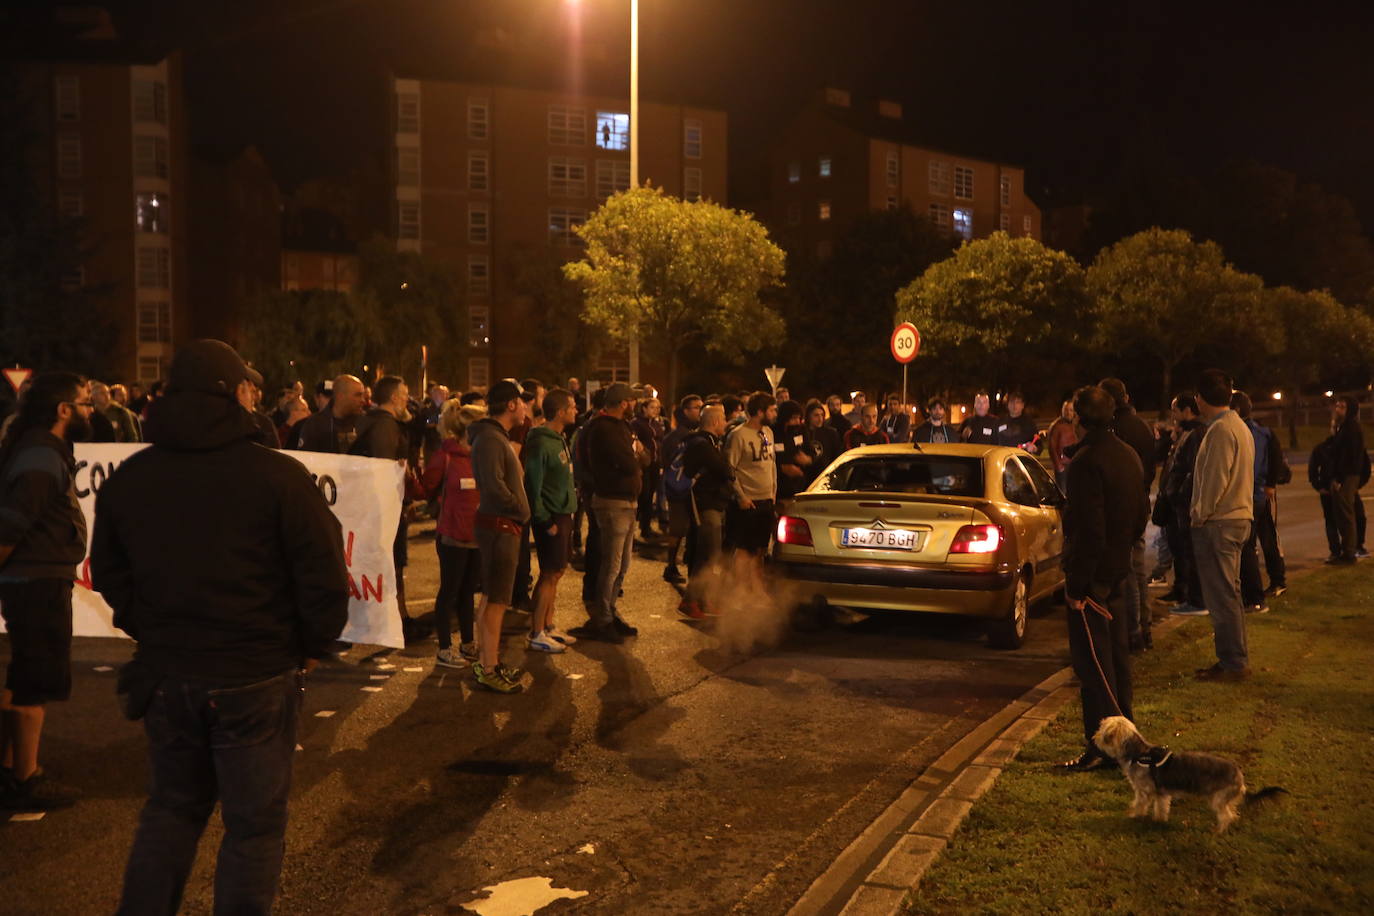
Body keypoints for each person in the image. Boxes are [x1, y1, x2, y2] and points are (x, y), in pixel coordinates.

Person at [90, 340, 349, 913]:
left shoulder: (132, 478)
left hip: (170, 672)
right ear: (232, 393)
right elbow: (325, 575)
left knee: (171, 810)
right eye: (248, 386)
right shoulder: (276, 477)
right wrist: (310, 645)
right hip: (254, 674)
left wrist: (151, 626)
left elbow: (109, 572)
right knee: (253, 830)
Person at [0, 372, 92, 811]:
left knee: (27, 672)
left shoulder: (41, 449)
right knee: (34, 678)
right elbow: (12, 525)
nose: (91, 410)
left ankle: (12, 767)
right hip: (35, 583)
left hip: (37, 578)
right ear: (63, 410)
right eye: (84, 402)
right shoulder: (39, 456)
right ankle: (26, 778)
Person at [1059, 385, 1148, 771]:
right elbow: (1141, 512)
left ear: (1078, 418)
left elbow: (1088, 530)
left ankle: (1105, 749)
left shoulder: (1085, 463)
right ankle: (1124, 739)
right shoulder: (1127, 455)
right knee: (1117, 662)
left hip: (1093, 580)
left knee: (1094, 669)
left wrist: (1078, 586)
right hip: (1117, 571)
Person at [1189, 369, 1255, 681]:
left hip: (1220, 522)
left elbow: (1215, 479)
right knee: (1230, 593)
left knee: (1221, 596)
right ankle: (1234, 658)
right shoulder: (1238, 426)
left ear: (1200, 398)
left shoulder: (1219, 432)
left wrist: (1200, 514)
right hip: (1238, 517)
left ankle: (1233, 662)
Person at [468, 380, 532, 693]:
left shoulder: (494, 437)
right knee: (497, 602)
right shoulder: (491, 439)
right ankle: (489, 669)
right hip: (499, 525)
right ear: (510, 405)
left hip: (500, 524)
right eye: (522, 402)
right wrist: (518, 506)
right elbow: (493, 486)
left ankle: (487, 661)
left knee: (492, 599)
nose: (526, 408)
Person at [351, 375, 422, 642]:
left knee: (390, 563)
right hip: (384, 509)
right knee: (393, 563)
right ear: (394, 398)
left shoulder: (373, 423)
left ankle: (397, 617)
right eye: (404, 394)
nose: (407, 399)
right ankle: (397, 620)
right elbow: (384, 467)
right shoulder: (385, 426)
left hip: (378, 507)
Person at [575, 382, 643, 644]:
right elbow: (628, 462)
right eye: (632, 401)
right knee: (612, 564)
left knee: (622, 564)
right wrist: (635, 457)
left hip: (627, 501)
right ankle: (602, 618)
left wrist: (636, 457)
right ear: (623, 402)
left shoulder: (621, 427)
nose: (634, 405)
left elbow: (643, 458)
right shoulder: (603, 428)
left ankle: (610, 611)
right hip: (612, 502)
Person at [422, 401, 485, 668]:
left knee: (468, 591)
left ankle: (468, 643)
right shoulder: (445, 457)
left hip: (477, 535)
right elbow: (425, 488)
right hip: (451, 535)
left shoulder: (480, 456)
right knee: (449, 591)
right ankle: (445, 647)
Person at [1098, 378, 1158, 652]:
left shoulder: (1117, 429)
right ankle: (1143, 628)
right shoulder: (1141, 426)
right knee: (1138, 568)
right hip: (1141, 500)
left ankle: (1133, 632)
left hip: (1122, 505)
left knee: (1128, 571)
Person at [523, 388, 580, 654]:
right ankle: (536, 632)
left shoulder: (559, 438)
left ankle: (547, 625)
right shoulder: (540, 442)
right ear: (560, 412)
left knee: (557, 572)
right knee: (548, 574)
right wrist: (545, 521)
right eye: (572, 407)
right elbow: (533, 486)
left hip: (564, 513)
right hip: (551, 516)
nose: (576, 410)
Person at [1232, 392, 1287, 611]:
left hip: (1250, 495)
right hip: (1261, 493)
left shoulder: (1242, 432)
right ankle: (1277, 580)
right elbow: (1275, 459)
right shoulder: (1264, 432)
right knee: (1268, 538)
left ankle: (1254, 598)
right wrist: (1270, 485)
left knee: (1247, 546)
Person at [680, 405, 734, 618]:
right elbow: (723, 469)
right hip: (705, 504)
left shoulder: (709, 443)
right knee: (707, 555)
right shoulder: (701, 445)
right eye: (722, 420)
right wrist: (726, 469)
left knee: (711, 555)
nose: (725, 423)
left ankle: (704, 600)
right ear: (713, 422)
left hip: (713, 503)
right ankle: (690, 600)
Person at [1162, 394, 1207, 614]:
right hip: (1177, 502)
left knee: (1190, 551)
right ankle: (1183, 592)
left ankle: (1196, 599)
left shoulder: (1196, 433)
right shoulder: (1185, 432)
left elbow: (1191, 469)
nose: (1173, 415)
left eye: (1175, 410)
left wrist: (1178, 494)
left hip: (1184, 503)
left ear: (1187, 410)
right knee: (1180, 550)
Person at [725, 392, 778, 574]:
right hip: (748, 502)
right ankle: (737, 588)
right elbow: (729, 469)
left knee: (760, 550)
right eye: (771, 410)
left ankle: (754, 589)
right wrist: (741, 496)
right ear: (760, 412)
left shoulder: (768, 432)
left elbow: (771, 464)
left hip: (766, 500)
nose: (775, 414)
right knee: (744, 550)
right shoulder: (738, 435)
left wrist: (773, 493)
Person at [659, 394, 704, 585]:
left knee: (689, 529)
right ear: (685, 411)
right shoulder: (675, 437)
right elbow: (666, 463)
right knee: (677, 529)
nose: (699, 411)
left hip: (692, 488)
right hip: (678, 489)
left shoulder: (697, 433)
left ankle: (682, 561)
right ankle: (670, 565)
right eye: (696, 407)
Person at [1327, 395, 1366, 565]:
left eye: (1342, 406)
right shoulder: (1343, 427)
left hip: (1347, 476)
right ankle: (1347, 550)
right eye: (1337, 406)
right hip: (1345, 476)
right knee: (1341, 514)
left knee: (1346, 514)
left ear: (1349, 409)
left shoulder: (1352, 428)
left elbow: (1349, 456)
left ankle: (1349, 553)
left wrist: (1340, 478)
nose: (1337, 409)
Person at [293, 374, 366, 453]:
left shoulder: (365, 425)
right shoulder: (314, 425)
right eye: (358, 395)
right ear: (340, 396)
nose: (363, 400)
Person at [631, 396, 666, 539]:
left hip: (655, 464)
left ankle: (646, 527)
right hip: (643, 465)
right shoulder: (637, 423)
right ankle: (633, 529)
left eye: (657, 407)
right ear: (644, 408)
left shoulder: (657, 423)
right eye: (652, 407)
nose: (656, 410)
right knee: (642, 495)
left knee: (650, 495)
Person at [773, 400, 813, 504]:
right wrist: (782, 468)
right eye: (794, 418)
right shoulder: (773, 432)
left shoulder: (801, 430)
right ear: (784, 418)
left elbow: (811, 451)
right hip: (779, 488)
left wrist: (808, 459)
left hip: (800, 487)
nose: (797, 422)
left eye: (799, 418)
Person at [800, 399, 842, 487]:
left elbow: (837, 455)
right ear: (808, 416)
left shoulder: (831, 433)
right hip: (806, 479)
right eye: (816, 415)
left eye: (822, 415)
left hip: (825, 478)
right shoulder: (801, 433)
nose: (820, 419)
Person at [1045, 399, 1079, 491]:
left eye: (1071, 410)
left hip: (1074, 465)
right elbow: (1052, 447)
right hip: (1062, 466)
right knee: (1063, 493)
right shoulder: (1056, 426)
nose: (1068, 412)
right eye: (1066, 410)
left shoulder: (1077, 424)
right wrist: (1059, 466)